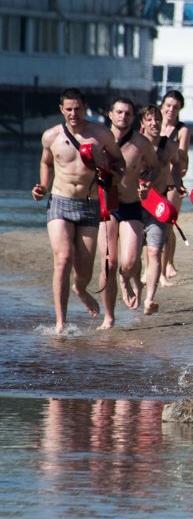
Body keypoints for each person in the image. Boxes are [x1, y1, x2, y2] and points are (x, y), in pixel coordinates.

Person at [33, 88, 124, 334]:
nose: (74, 113)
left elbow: (119, 162)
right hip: (60, 201)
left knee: (84, 269)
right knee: (63, 259)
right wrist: (42, 185)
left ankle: (80, 289)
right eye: (69, 109)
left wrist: (112, 174)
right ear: (61, 109)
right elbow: (46, 162)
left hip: (89, 203)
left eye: (78, 108)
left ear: (85, 108)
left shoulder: (101, 134)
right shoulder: (50, 136)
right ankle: (60, 323)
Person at [98, 97, 158, 325]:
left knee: (130, 262)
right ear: (110, 114)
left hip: (131, 204)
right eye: (119, 112)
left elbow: (154, 167)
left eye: (128, 113)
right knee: (108, 263)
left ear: (133, 118)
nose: (123, 117)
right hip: (106, 205)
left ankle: (127, 278)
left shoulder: (141, 143)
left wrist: (146, 183)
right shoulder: (98, 140)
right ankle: (109, 317)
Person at [138, 105, 185, 316]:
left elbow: (178, 164)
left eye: (157, 119)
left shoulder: (171, 146)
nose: (154, 123)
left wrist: (177, 181)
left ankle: (149, 299)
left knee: (155, 250)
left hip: (158, 203)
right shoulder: (135, 146)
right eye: (149, 120)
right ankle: (135, 284)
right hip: (135, 205)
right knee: (130, 261)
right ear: (142, 123)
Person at [158, 90, 190, 283]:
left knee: (167, 226)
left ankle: (164, 268)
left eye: (175, 107)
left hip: (173, 182)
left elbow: (182, 156)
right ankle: (158, 267)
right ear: (162, 106)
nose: (171, 110)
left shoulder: (182, 130)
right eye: (168, 105)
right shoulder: (151, 125)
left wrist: (180, 172)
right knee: (153, 226)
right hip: (153, 182)